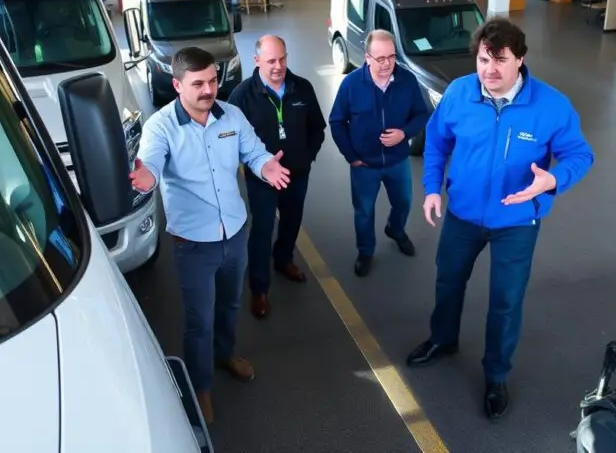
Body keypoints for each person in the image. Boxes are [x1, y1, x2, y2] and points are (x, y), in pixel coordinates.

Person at [407, 17, 595, 420]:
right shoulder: (459, 93)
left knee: (506, 302)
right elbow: (437, 142)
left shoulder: (551, 106)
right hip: (462, 215)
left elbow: (581, 155)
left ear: (520, 60)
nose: (489, 70)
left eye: (500, 61)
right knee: (448, 280)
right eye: (482, 60)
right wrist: (430, 189)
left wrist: (553, 180)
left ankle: (495, 375)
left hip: (516, 223)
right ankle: (443, 340)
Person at [129, 46, 291, 425]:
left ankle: (225, 353)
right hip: (194, 244)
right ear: (177, 85)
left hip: (235, 232)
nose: (208, 90)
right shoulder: (161, 127)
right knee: (198, 320)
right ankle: (201, 386)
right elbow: (150, 161)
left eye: (213, 81)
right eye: (198, 83)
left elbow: (253, 151)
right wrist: (147, 178)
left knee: (230, 305)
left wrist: (266, 165)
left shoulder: (231, 116)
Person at [228, 35, 327, 319]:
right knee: (261, 230)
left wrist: (306, 157)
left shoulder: (302, 88)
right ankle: (259, 288)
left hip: (298, 174)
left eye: (282, 59)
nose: (278, 66)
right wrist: (257, 166)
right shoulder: (241, 97)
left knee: (292, 221)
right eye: (271, 60)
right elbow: (233, 141)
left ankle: (284, 259)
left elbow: (317, 128)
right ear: (257, 60)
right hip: (262, 180)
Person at [328, 29, 429, 277]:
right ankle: (365, 251)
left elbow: (421, 113)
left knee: (404, 202)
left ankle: (395, 229)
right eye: (380, 58)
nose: (386, 64)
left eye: (391, 57)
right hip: (365, 165)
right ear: (367, 57)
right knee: (364, 211)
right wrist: (351, 156)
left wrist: (404, 134)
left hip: (397, 161)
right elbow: (337, 121)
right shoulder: (351, 84)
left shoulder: (406, 80)